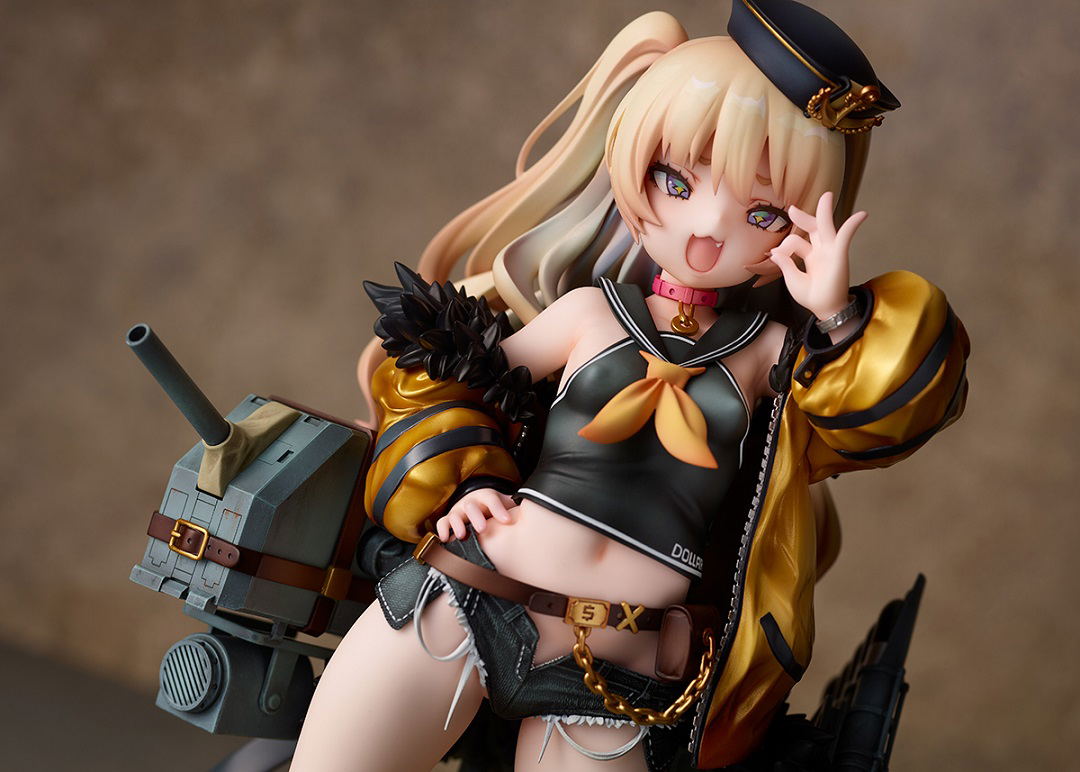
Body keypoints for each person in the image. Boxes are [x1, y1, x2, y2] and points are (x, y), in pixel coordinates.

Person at [293, 2, 969, 770]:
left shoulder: (771, 355)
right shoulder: (590, 312)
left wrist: (837, 313)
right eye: (677, 180)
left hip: (614, 666)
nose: (707, 228)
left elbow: (877, 413)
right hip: (472, 595)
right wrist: (464, 479)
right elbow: (451, 374)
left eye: (761, 211)